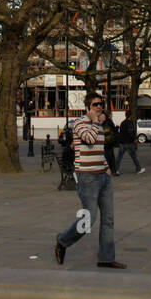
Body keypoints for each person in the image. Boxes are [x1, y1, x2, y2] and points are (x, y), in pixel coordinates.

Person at [55, 93, 126, 268]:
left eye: (101, 104)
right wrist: (95, 121)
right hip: (88, 178)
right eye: (95, 105)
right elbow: (89, 139)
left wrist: (106, 166)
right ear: (87, 107)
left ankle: (106, 257)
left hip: (103, 176)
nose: (99, 107)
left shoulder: (99, 125)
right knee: (89, 218)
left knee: (108, 219)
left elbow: (99, 149)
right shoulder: (79, 123)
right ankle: (63, 241)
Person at [101, 110, 119, 176]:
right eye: (111, 115)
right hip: (109, 142)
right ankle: (111, 171)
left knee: (110, 156)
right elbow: (114, 131)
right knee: (110, 157)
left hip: (106, 142)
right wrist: (117, 128)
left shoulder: (104, 123)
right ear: (109, 115)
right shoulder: (109, 122)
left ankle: (112, 170)